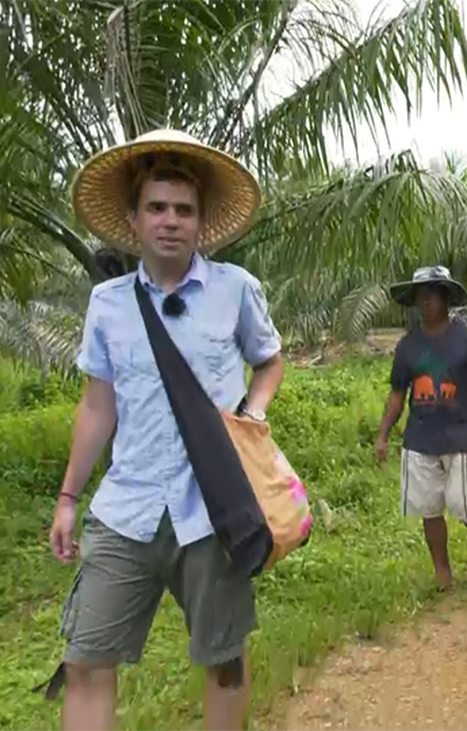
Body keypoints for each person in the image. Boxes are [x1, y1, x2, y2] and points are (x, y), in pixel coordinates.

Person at [37, 129, 283, 731]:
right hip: (128, 508)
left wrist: (253, 412)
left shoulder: (235, 290)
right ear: (133, 218)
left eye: (183, 210)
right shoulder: (108, 304)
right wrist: (68, 497)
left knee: (225, 662)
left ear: (200, 222)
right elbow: (98, 406)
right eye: (157, 208)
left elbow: (269, 360)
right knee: (87, 661)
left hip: (215, 511)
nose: (170, 221)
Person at [374, 265, 467, 589]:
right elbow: (398, 395)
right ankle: (443, 573)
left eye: (431, 295)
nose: (425, 302)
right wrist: (383, 434)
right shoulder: (407, 347)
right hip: (420, 438)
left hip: (461, 436)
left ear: (445, 297)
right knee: (429, 509)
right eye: (420, 296)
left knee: (465, 505)